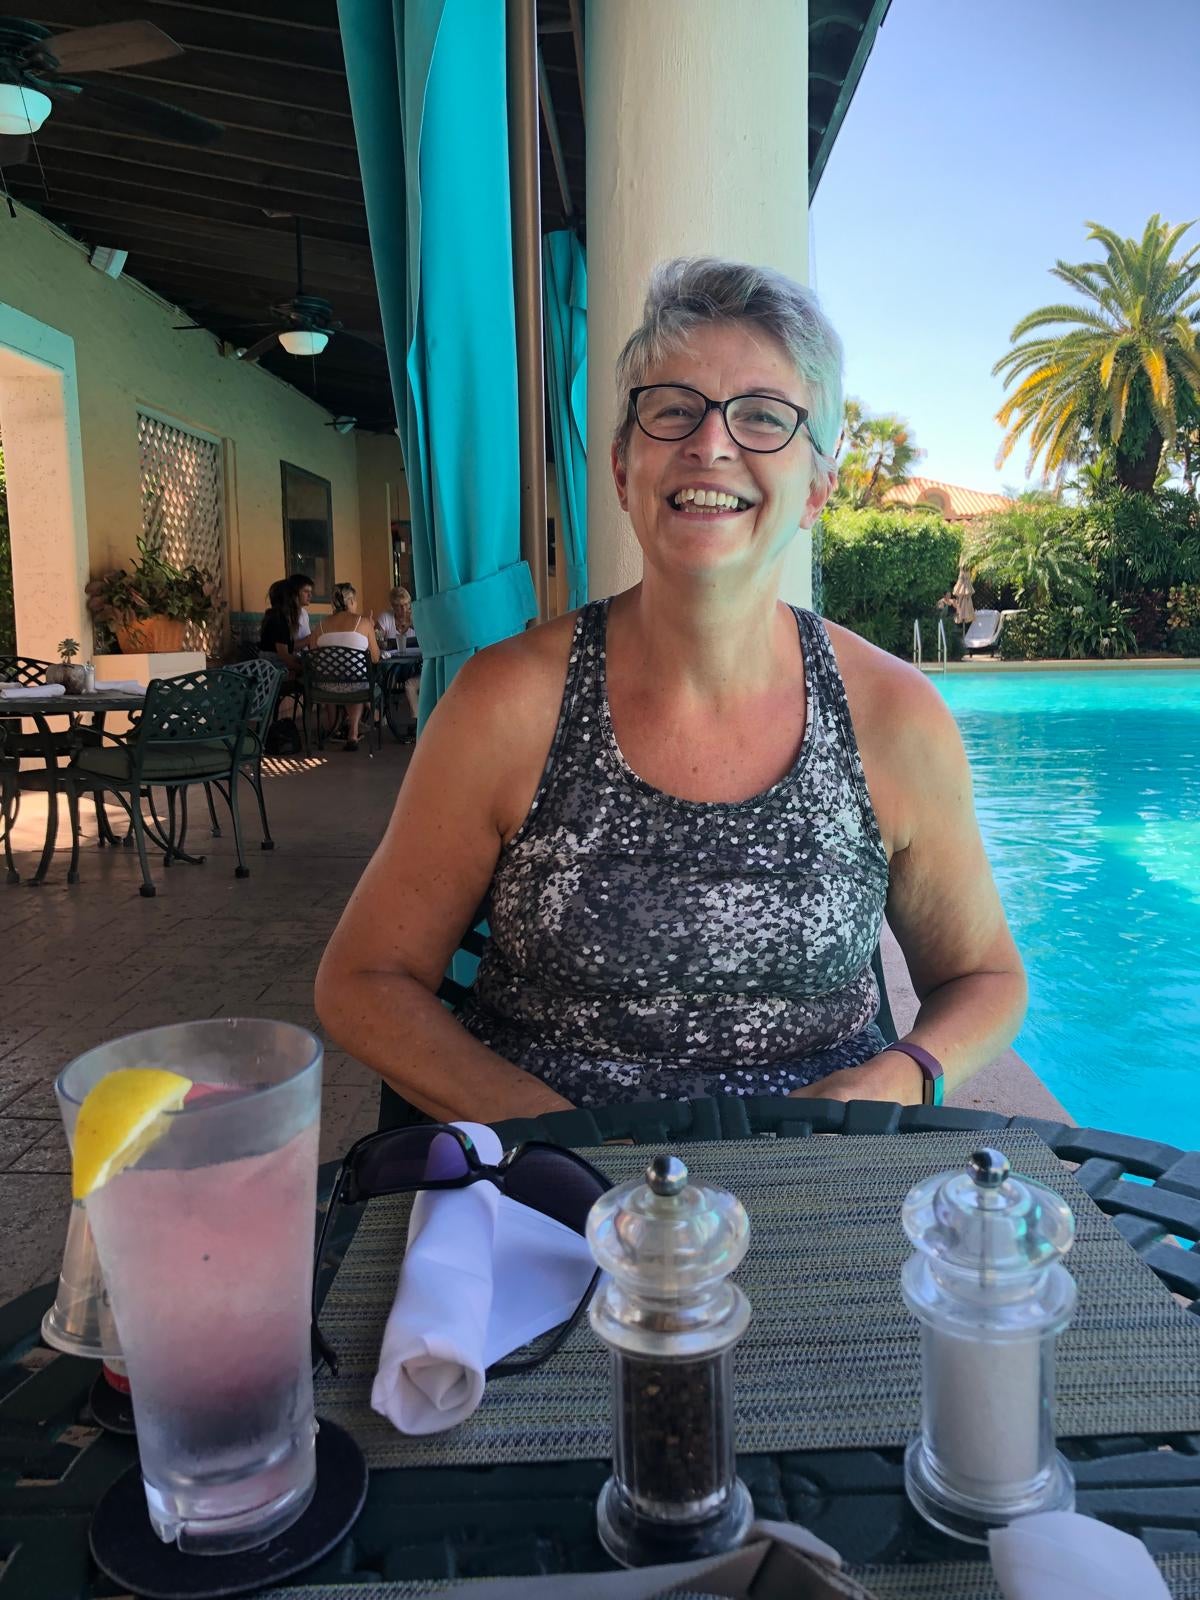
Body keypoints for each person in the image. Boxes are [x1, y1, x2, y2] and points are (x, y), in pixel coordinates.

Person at [317, 256, 1027, 1123]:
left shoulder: (892, 716)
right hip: (553, 1196)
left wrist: (900, 1074)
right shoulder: (507, 704)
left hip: (817, 1177)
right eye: (674, 410)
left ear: (817, 489)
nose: (711, 443)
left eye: (763, 416)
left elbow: (985, 977)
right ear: (621, 468)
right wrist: (550, 1134)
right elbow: (362, 982)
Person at [310, 581, 380, 751]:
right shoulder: (364, 623)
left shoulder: (319, 626)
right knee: (357, 679)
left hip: (325, 688)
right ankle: (353, 733)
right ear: (350, 602)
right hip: (357, 688)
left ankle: (334, 728)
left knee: (346, 677)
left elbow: (313, 656)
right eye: (355, 601)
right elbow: (376, 658)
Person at [377, 586, 420, 656]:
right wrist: (380, 640)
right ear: (392, 606)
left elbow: (428, 638)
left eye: (406, 604)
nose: (403, 609)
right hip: (393, 662)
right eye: (399, 606)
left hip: (416, 661)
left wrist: (412, 624)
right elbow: (377, 637)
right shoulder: (385, 617)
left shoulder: (417, 617)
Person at [287, 573, 315, 646]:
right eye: (306, 591)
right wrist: (310, 638)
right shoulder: (285, 613)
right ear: (295, 593)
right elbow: (288, 648)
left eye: (310, 592)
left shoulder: (304, 613)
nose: (310, 595)